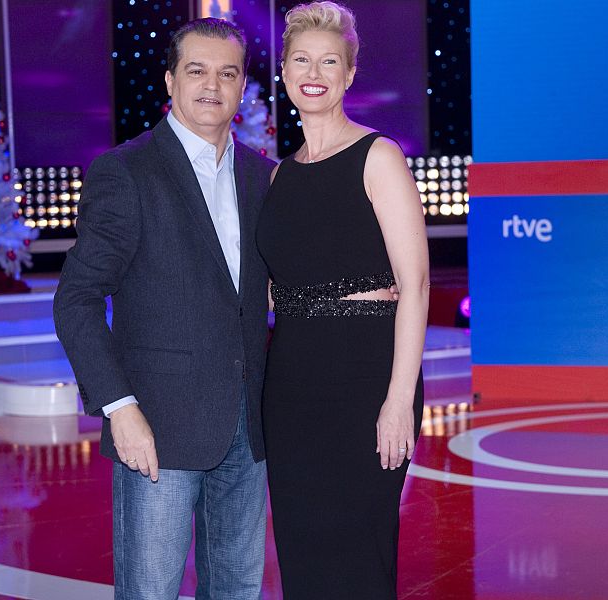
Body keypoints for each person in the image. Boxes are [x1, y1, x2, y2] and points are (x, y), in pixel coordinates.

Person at [53, 18, 275, 600]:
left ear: (243, 86)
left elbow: (266, 292)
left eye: (227, 73)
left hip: (247, 430)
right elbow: (75, 299)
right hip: (156, 431)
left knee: (237, 589)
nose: (212, 85)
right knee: (150, 591)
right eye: (197, 70)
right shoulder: (126, 172)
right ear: (170, 81)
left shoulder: (262, 175)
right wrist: (118, 408)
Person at [256, 2, 430, 598]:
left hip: (367, 378)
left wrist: (399, 402)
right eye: (301, 59)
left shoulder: (379, 157)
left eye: (330, 61)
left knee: (359, 546)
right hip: (293, 383)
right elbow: (279, 282)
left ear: (349, 74)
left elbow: (417, 285)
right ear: (283, 70)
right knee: (302, 547)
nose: (315, 71)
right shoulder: (279, 177)